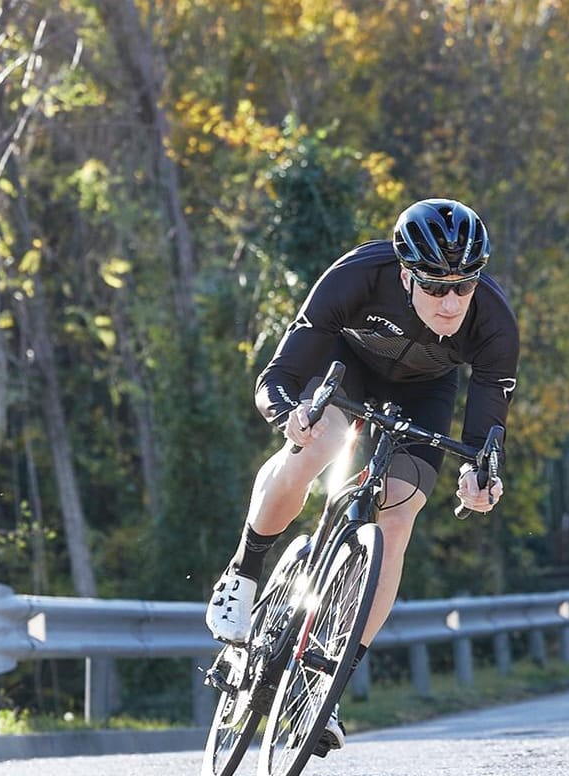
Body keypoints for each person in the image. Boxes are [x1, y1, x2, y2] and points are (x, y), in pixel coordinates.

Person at [204, 198, 519, 748]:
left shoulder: (493, 321)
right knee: (316, 447)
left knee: (400, 513)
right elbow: (275, 378)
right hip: (343, 369)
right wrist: (288, 414)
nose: (451, 302)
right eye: (436, 286)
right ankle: (243, 571)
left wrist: (480, 478)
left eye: (464, 286)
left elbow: (485, 435)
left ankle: (325, 692)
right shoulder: (358, 276)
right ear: (405, 273)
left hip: (426, 392)